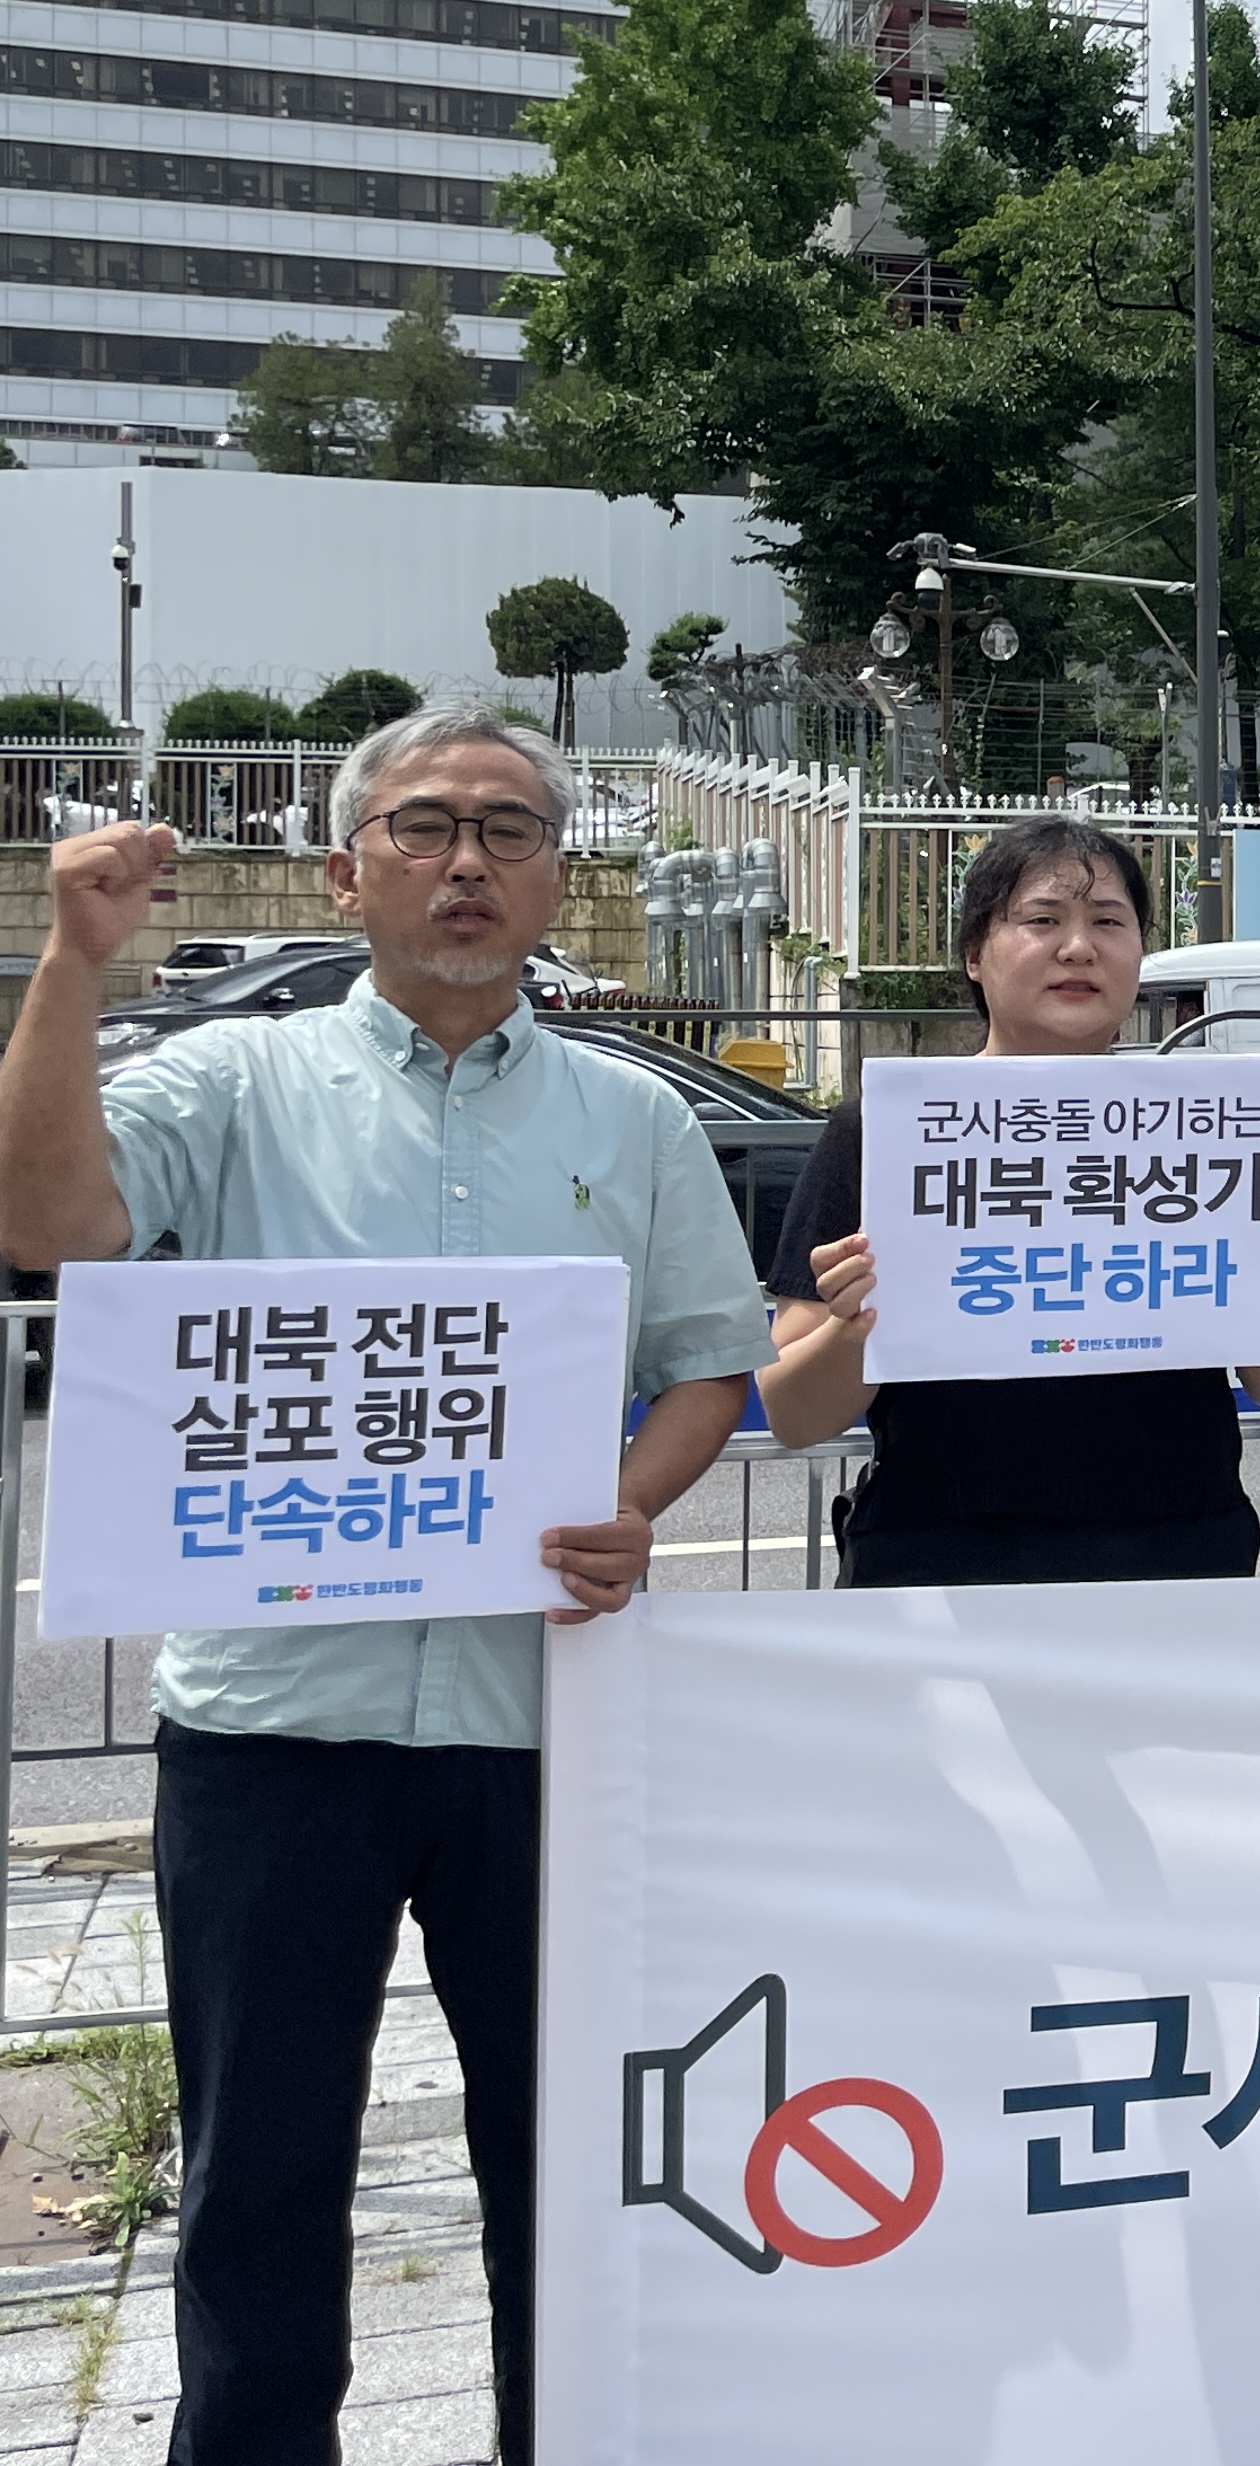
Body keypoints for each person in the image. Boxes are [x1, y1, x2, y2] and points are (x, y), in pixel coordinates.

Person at [0, 705, 774, 2466]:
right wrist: (71, 964)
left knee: (564, 2160)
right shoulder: (232, 1081)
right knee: (260, 2172)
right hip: (275, 1723)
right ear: (347, 874)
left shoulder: (635, 1116)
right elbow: (47, 1223)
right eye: (424, 826)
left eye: (510, 828)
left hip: (542, 1719)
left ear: (557, 879)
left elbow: (709, 1364)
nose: (468, 861)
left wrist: (632, 1501)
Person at [756, 817, 1260, 1585]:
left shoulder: (1214, 1128)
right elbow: (794, 1413)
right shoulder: (887, 1129)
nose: (1079, 948)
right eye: (1042, 920)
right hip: (939, 1563)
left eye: (1109, 922)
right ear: (974, 954)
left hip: (1179, 1557)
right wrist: (859, 1326)